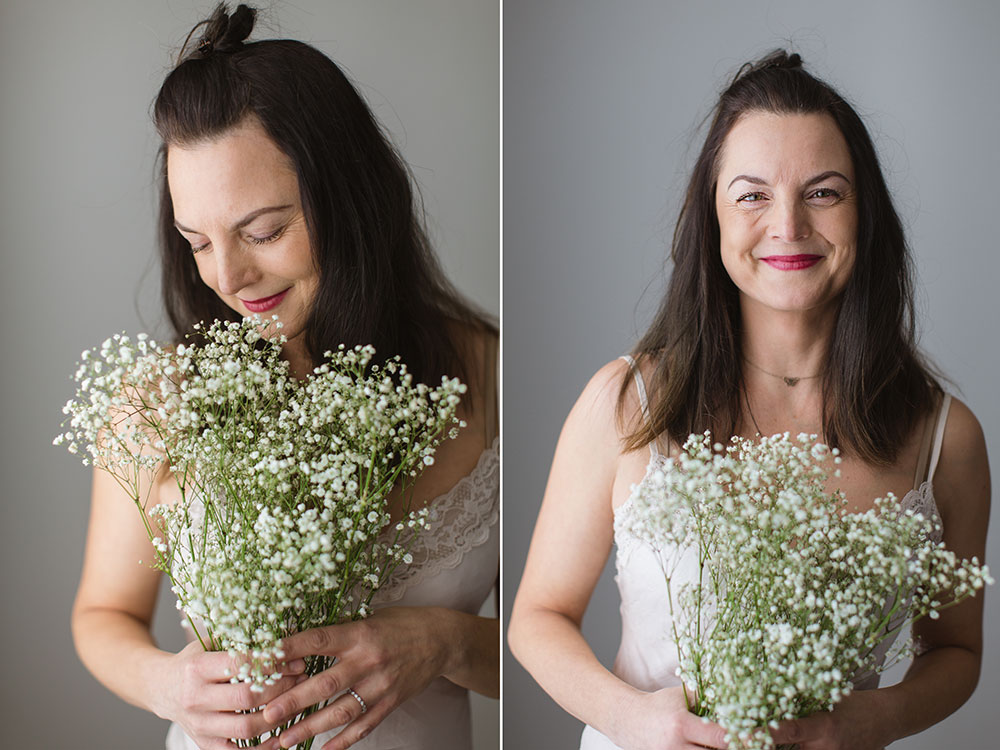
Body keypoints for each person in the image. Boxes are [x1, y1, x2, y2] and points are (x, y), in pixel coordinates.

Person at [508, 50, 990, 750]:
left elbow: (957, 652)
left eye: (823, 192)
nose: (788, 225)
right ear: (714, 219)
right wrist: (634, 718)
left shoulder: (949, 439)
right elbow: (536, 617)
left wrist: (867, 720)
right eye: (753, 195)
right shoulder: (626, 403)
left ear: (866, 215)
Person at [71, 5, 499, 750]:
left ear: (351, 202)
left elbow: (562, 644)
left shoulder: (491, 379)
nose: (229, 278)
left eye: (264, 231)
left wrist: (446, 641)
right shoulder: (160, 400)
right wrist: (166, 684)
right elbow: (101, 617)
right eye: (197, 241)